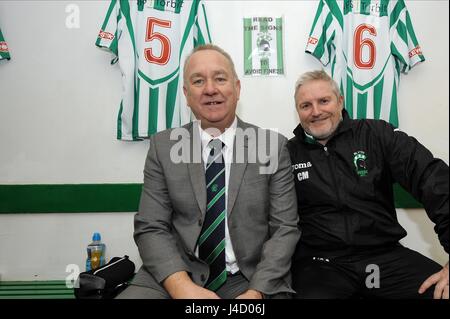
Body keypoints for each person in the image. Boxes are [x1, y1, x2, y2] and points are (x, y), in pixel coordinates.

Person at [117, 44, 300, 299]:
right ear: (186, 93)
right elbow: (151, 226)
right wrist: (181, 287)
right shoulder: (163, 147)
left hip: (249, 278)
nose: (210, 89)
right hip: (174, 275)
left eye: (220, 78)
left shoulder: (271, 146)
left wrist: (256, 293)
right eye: (198, 81)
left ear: (237, 88)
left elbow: (284, 229)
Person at [287, 70, 449, 299]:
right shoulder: (287, 155)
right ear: (298, 111)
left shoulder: (377, 135)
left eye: (324, 101)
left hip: (384, 258)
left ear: (340, 100)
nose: (316, 112)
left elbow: (432, 179)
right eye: (306, 105)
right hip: (321, 265)